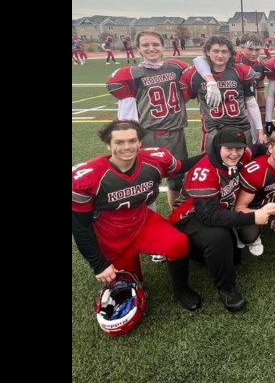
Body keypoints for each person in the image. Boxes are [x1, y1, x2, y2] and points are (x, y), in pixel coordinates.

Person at [166, 128, 275, 313]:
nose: (234, 153)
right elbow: (209, 216)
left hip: (216, 210)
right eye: (228, 148)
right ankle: (227, 289)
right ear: (218, 147)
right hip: (189, 217)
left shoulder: (241, 155)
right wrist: (253, 216)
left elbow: (258, 148)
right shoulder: (205, 172)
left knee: (234, 258)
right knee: (218, 238)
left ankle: (196, 252)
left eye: (238, 148)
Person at [72, 120, 204, 286]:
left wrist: (214, 152)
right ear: (108, 145)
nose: (127, 147)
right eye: (119, 142)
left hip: (143, 221)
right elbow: (80, 228)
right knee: (128, 286)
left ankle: (182, 290)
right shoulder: (87, 177)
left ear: (140, 142)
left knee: (178, 243)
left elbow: (181, 166)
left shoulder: (154, 160)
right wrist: (98, 264)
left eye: (132, 141)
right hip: (111, 235)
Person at [106, 30, 192, 208]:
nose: (151, 48)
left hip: (176, 132)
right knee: (147, 180)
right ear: (138, 49)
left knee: (177, 179)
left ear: (163, 46)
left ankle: (174, 215)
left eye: (155, 44)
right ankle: (147, 219)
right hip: (150, 133)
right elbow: (125, 106)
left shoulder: (176, 68)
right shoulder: (132, 74)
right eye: (146, 45)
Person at [183, 35, 264, 150]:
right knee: (212, 165)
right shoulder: (194, 75)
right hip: (213, 130)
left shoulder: (242, 71)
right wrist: (210, 81)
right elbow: (182, 99)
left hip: (240, 127)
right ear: (207, 52)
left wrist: (259, 130)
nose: (220, 55)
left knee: (244, 163)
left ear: (230, 54)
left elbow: (251, 101)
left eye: (224, 51)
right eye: (215, 51)